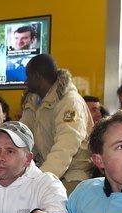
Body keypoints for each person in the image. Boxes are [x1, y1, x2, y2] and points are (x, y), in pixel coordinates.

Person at [20, 54, 93, 193]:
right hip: (47, 169)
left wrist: (41, 182)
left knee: (51, 207)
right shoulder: (33, 101)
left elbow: (65, 146)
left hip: (74, 174)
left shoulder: (69, 102)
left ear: (37, 77)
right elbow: (23, 137)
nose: (25, 82)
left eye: (27, 76)